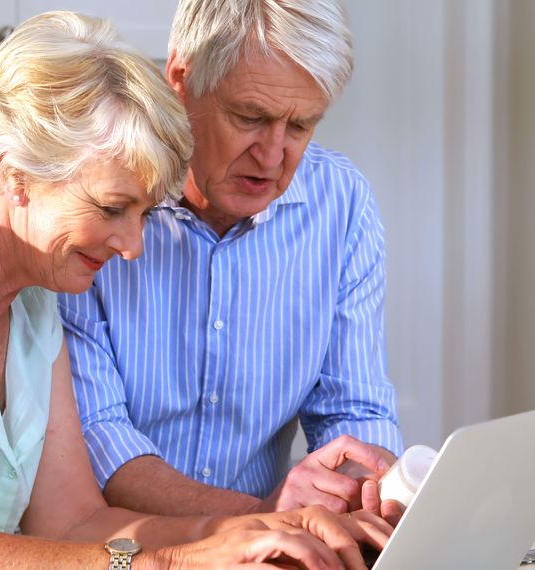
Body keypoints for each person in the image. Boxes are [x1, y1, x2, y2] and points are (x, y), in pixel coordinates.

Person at [0, 11, 391, 569]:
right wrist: (171, 562)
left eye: (143, 213)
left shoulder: (35, 301)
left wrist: (253, 536)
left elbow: (77, 527)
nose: (134, 245)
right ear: (18, 172)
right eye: (113, 208)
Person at [60, 0, 404, 522]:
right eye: (250, 117)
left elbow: (352, 409)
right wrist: (263, 517)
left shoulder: (342, 203)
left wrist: (363, 497)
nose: (272, 156)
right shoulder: (100, 202)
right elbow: (97, 435)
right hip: (121, 545)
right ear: (180, 77)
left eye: (300, 126)